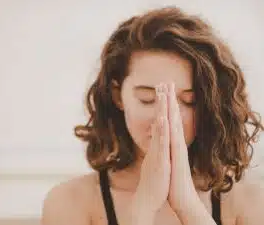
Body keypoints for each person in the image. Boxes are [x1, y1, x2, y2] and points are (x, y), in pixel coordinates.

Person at [41, 6, 264, 225]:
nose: (165, 118)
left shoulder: (250, 204)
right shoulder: (69, 202)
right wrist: (144, 208)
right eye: (148, 98)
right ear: (118, 96)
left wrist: (187, 205)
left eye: (189, 101)